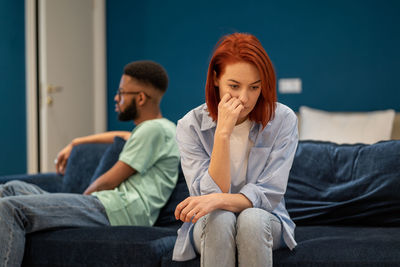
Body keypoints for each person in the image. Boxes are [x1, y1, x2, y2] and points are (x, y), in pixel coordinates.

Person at [0, 60, 180, 266]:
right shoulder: (158, 130)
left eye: (121, 93)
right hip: (110, 207)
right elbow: (121, 135)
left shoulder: (153, 129)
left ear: (140, 98)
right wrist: (76, 142)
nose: (116, 98)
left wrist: (81, 198)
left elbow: (110, 180)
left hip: (116, 208)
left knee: (10, 208)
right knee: (11, 188)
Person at [172, 33, 298, 266]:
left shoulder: (282, 120)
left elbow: (269, 194)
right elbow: (206, 200)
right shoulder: (190, 126)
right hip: (211, 222)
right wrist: (222, 133)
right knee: (220, 218)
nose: (244, 98)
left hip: (266, 220)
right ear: (216, 78)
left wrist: (219, 199)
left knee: (251, 220)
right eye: (234, 86)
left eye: (254, 87)